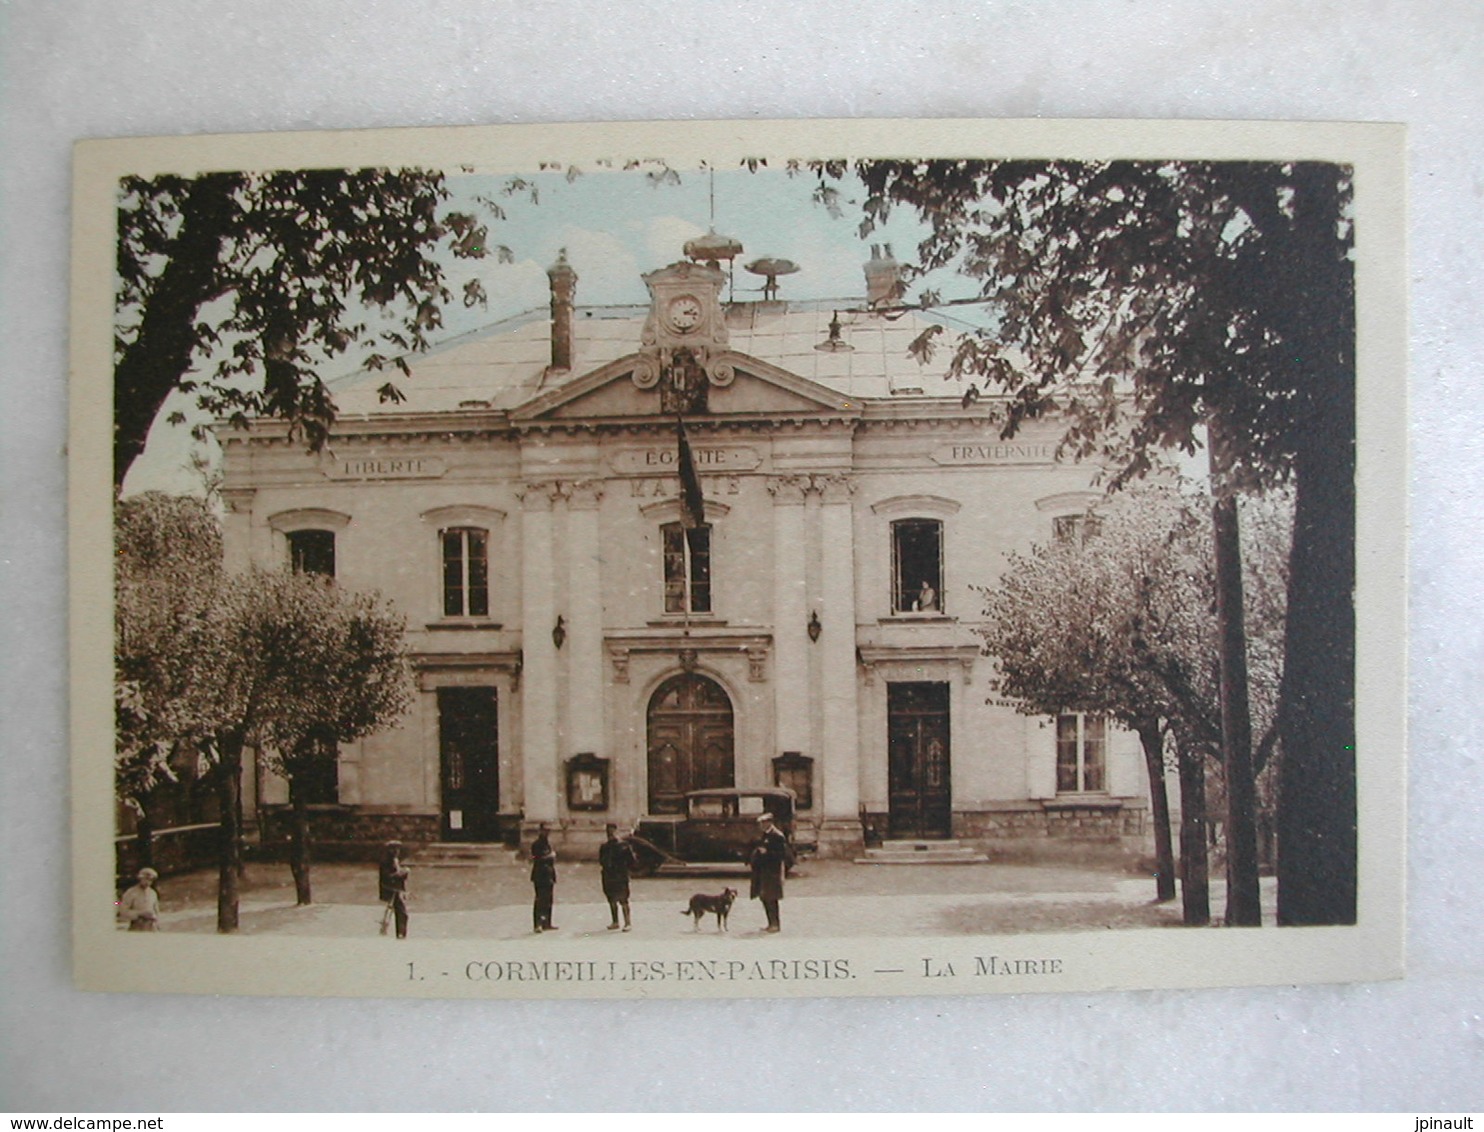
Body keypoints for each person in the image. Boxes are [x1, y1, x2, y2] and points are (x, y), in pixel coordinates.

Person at [749, 813, 791, 933]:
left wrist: (766, 853)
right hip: (763, 871)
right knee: (764, 898)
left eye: (763, 823)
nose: (761, 826)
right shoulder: (766, 835)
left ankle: (775, 924)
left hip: (772, 872)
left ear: (769, 822)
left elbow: (781, 855)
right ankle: (770, 923)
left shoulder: (777, 836)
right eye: (760, 823)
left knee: (772, 898)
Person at [598, 823, 638, 931]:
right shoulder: (604, 847)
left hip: (620, 875)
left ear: (616, 831)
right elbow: (601, 861)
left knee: (623, 899)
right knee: (611, 899)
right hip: (609, 876)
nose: (610, 834)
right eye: (608, 832)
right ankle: (615, 922)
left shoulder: (624, 846)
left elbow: (632, 861)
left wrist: (625, 869)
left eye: (612, 831)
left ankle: (627, 923)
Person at [378, 840, 410, 939]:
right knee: (401, 912)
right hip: (391, 889)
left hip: (395, 888)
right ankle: (400, 933)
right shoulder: (386, 861)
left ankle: (400, 932)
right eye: (395, 849)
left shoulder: (394, 860)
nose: (397, 851)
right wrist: (403, 873)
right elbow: (388, 876)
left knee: (399, 911)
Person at [530, 823, 558, 933]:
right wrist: (549, 856)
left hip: (548, 875)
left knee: (548, 900)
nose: (547, 833)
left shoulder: (547, 844)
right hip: (540, 875)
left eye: (548, 831)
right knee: (540, 899)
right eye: (545, 831)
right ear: (540, 831)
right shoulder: (536, 844)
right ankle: (538, 924)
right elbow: (535, 858)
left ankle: (547, 922)